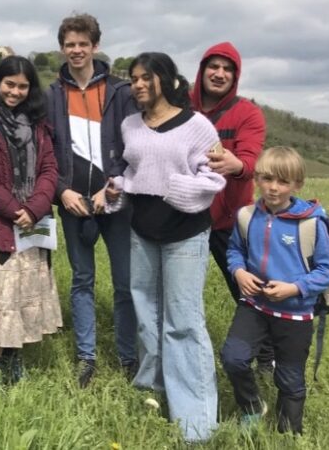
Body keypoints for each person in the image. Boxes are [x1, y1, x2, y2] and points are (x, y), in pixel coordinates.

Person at [105, 52, 225, 443]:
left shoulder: (198, 127)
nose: (138, 84)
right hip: (142, 232)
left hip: (185, 235)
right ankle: (151, 390)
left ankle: (196, 420)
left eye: (146, 78)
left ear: (167, 80)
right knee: (146, 313)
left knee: (184, 323)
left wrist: (173, 186)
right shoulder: (130, 125)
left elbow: (211, 180)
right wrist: (117, 189)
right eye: (134, 78)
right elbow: (132, 173)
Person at [45, 13, 137, 387]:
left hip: (114, 199)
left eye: (83, 43)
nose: (77, 50)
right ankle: (87, 357)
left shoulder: (120, 91)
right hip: (73, 201)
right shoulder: (52, 94)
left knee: (125, 282)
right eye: (70, 44)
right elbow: (47, 151)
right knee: (82, 279)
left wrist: (112, 185)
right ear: (62, 48)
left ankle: (128, 356)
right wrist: (61, 191)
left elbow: (134, 146)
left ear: (95, 46)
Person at [220, 147, 329, 435]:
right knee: (233, 357)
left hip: (295, 313)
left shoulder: (311, 222)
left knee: (289, 376)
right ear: (257, 178)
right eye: (268, 179)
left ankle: (288, 434)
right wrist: (238, 272)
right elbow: (235, 250)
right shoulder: (247, 216)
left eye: (283, 182)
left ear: (297, 184)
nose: (274, 188)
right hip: (254, 306)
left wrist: (294, 288)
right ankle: (252, 406)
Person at [0, 56, 62, 385]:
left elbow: (49, 167)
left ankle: (14, 352)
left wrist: (34, 207)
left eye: (22, 86)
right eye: (9, 84)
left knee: (24, 288)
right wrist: (13, 208)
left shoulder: (39, 122)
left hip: (32, 219)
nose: (15, 92)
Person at [190, 43, 269, 364]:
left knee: (247, 289)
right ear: (202, 69)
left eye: (228, 69)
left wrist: (235, 165)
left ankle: (266, 352)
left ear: (235, 76)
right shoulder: (180, 107)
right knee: (177, 293)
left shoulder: (248, 113)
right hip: (184, 220)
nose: (220, 74)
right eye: (214, 66)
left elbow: (249, 163)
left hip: (228, 222)